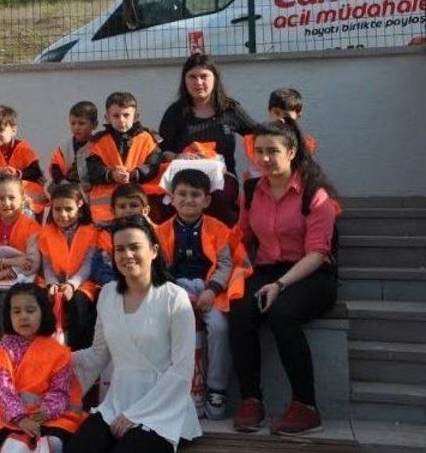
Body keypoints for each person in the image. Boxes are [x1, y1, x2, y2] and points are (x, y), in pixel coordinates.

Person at [229, 120, 339, 436]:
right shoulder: (252, 190)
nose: (264, 158)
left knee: (282, 313)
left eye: (273, 151)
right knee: (239, 311)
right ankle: (251, 400)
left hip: (312, 273)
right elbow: (243, 236)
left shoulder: (315, 195)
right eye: (259, 151)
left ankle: (306, 406)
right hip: (267, 269)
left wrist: (280, 285)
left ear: (291, 152)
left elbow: (317, 254)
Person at [69, 216, 201, 453]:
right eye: (120, 249)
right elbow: (99, 353)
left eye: (134, 247)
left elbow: (182, 369)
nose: (127, 255)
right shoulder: (107, 294)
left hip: (164, 408)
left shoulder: (174, 297)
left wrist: (137, 414)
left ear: (154, 251)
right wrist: (56, 359)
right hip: (117, 403)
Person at [153, 169, 246, 420]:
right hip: (175, 291)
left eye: (195, 195)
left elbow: (226, 264)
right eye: (182, 194)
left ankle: (216, 389)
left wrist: (211, 290)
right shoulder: (161, 231)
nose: (188, 200)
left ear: (206, 200)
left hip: (210, 290)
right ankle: (169, 386)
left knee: (220, 327)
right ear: (172, 198)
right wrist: (178, 292)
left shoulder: (219, 229)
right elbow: (159, 268)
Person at [0, 283, 84, 453]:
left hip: (50, 418)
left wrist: (40, 416)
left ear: (43, 312)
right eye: (16, 311)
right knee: (15, 447)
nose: (23, 316)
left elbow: (59, 393)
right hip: (12, 418)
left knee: (53, 444)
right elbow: (3, 389)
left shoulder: (58, 352)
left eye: (30, 310)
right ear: (9, 316)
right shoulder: (5, 348)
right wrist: (21, 419)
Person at [157, 54, 256, 224]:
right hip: (183, 180)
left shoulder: (230, 109)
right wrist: (178, 157)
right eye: (192, 77)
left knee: (220, 199)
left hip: (223, 179)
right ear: (184, 81)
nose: (198, 82)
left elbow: (259, 135)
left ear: (215, 79)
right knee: (169, 204)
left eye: (204, 76)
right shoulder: (175, 112)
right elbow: (161, 151)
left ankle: (225, 240)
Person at [0, 174, 42, 350]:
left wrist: (11, 269)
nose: (6, 203)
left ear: (22, 199)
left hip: (21, 282)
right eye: (1, 198)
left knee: (7, 301)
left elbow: (33, 263)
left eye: (12, 198)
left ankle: (4, 352)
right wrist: (11, 262)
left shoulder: (31, 227)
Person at [38, 184, 101, 350]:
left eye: (68, 209)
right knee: (40, 300)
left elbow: (88, 263)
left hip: (83, 283)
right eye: (57, 209)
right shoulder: (46, 232)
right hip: (54, 282)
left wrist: (72, 284)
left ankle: (78, 350)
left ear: (79, 210)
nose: (63, 214)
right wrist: (52, 284)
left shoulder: (91, 231)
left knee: (78, 303)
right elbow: (47, 264)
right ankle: (46, 351)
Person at [85, 92, 163, 226]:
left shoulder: (148, 139)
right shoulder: (98, 142)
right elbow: (92, 170)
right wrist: (111, 175)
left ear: (136, 116)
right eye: (116, 116)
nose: (121, 120)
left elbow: (153, 166)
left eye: (126, 115)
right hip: (106, 214)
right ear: (107, 118)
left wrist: (135, 174)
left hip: (141, 208)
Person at [0, 105, 47, 215]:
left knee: (32, 202)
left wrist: (17, 173)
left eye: (0, 130)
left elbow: (36, 173)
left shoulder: (23, 149)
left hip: (23, 192)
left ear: (13, 130)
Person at [241, 88, 318, 181]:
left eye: (286, 115)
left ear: (298, 116)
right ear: (270, 112)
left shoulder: (305, 144)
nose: (281, 119)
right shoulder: (255, 140)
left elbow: (307, 171)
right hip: (259, 184)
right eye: (277, 113)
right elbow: (254, 166)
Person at [48, 101, 98, 197]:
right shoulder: (64, 147)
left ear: (94, 125)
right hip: (68, 189)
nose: (76, 127)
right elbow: (55, 168)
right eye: (73, 123)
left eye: (81, 123)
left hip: (92, 191)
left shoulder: (100, 146)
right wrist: (63, 182)